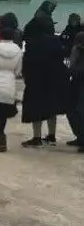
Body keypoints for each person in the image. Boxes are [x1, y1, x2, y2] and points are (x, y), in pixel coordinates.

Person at [21, 16, 69, 147]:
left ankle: (36, 137)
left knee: (36, 107)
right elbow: (61, 56)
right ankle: (51, 135)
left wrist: (26, 76)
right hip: (55, 78)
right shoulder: (55, 40)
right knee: (52, 106)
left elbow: (28, 61)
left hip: (37, 79)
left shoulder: (33, 42)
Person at [66, 32, 84, 151]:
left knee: (78, 111)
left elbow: (76, 69)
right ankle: (80, 137)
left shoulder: (78, 52)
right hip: (76, 84)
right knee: (72, 110)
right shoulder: (77, 51)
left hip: (79, 83)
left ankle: (82, 137)